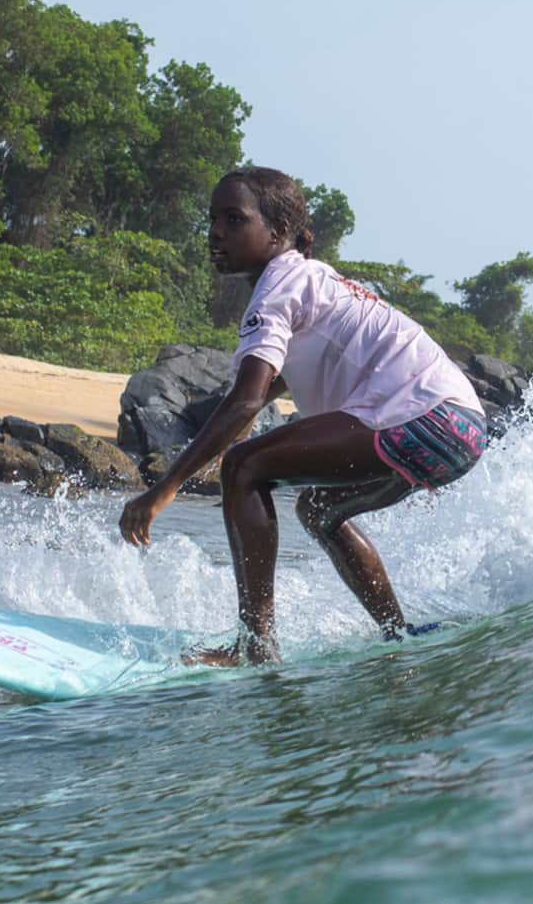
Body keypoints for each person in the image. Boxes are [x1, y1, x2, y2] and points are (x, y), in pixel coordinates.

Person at [119, 167, 487, 666]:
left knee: (244, 467)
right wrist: (231, 446)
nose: (215, 231)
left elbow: (246, 401)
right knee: (317, 509)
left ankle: (255, 647)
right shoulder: (315, 280)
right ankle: (397, 636)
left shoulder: (277, 288)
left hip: (422, 416)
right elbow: (271, 388)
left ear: (276, 234)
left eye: (233, 218)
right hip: (461, 429)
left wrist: (164, 489)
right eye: (212, 219)